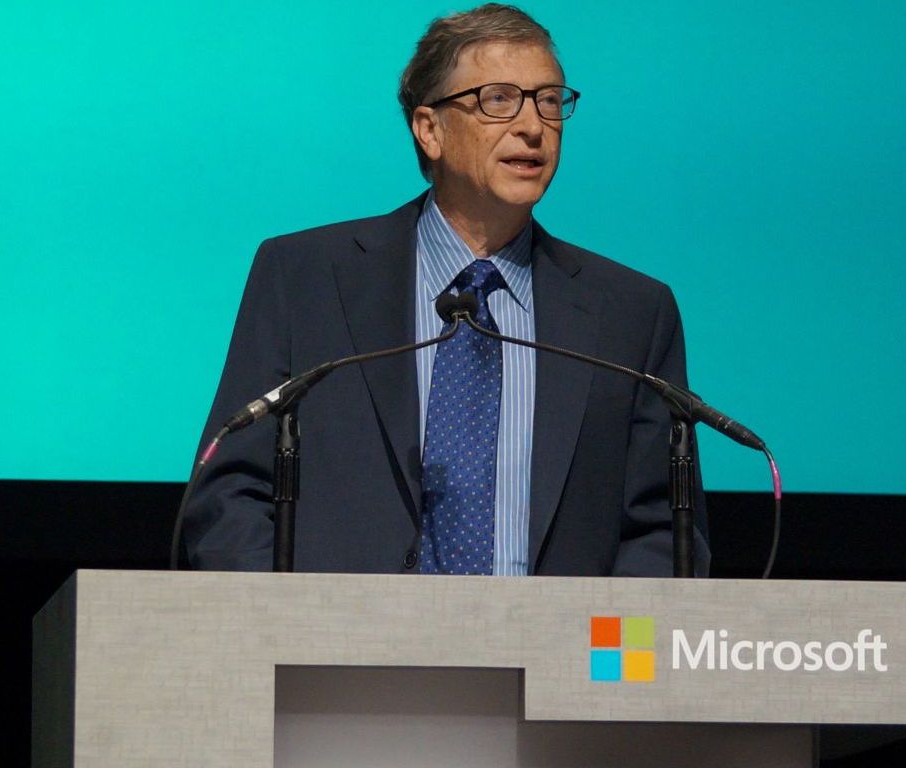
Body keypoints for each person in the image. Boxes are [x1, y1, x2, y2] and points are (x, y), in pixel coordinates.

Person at [182, 3, 709, 576]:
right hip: (339, 631)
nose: (533, 126)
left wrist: (600, 638)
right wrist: (285, 622)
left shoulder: (632, 313)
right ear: (429, 129)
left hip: (557, 634)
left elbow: (664, 535)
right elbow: (229, 494)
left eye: (549, 100)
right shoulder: (305, 277)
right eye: (498, 99)